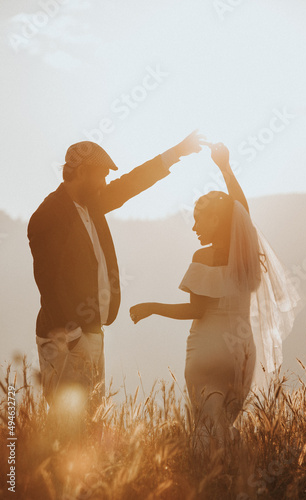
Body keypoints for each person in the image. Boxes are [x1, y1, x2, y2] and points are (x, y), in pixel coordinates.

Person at [27, 131, 204, 438]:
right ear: (81, 173)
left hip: (93, 331)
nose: (106, 184)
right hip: (66, 338)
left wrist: (177, 152)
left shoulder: (91, 203)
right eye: (101, 177)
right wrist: (72, 333)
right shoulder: (47, 216)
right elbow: (48, 280)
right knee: (63, 424)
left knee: (90, 419)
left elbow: (132, 183)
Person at [130, 142, 301, 451]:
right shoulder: (247, 257)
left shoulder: (204, 257)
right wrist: (225, 167)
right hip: (241, 352)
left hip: (207, 352)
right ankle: (232, 473)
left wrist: (151, 307)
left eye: (199, 218)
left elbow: (196, 309)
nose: (194, 226)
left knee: (206, 425)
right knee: (223, 422)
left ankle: (209, 476)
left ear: (218, 220)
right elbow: (242, 213)